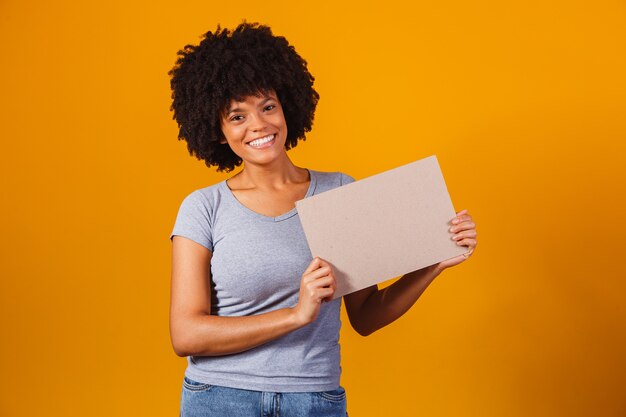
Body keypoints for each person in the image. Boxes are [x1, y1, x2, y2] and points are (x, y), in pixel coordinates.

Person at [168, 22, 477, 417]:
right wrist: (297, 314)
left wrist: (433, 262)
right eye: (237, 116)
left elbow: (366, 316)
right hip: (220, 397)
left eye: (267, 107)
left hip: (312, 400)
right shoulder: (203, 208)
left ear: (287, 107)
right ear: (217, 129)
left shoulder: (338, 193)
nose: (258, 126)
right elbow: (186, 334)